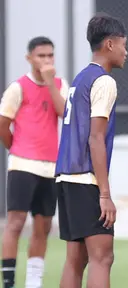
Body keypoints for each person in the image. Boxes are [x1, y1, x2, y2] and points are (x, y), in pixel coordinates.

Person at [54, 13, 127, 288]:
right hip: (86, 180)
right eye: (123, 44)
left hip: (65, 177)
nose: (126, 51)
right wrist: (105, 195)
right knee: (102, 258)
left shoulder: (80, 78)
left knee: (75, 260)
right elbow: (95, 139)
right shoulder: (104, 81)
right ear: (109, 44)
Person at [0, 36, 68, 288]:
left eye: (50, 55)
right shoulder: (17, 87)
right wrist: (16, 149)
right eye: (41, 56)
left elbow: (63, 113)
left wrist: (50, 83)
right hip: (22, 165)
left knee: (44, 225)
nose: (47, 60)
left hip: (51, 167)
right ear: (29, 58)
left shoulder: (60, 85)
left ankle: (33, 282)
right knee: (16, 223)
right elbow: (3, 124)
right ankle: (8, 282)